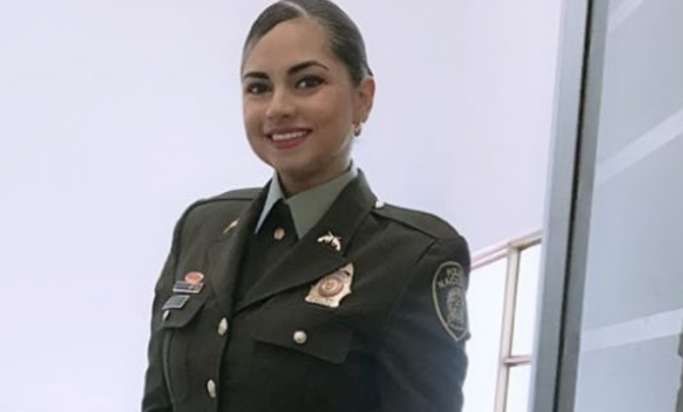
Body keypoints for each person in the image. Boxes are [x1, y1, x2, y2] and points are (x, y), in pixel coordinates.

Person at [142, 1, 470, 411]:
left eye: (307, 82)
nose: (278, 107)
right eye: (258, 88)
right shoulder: (201, 227)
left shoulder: (414, 257)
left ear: (363, 98)